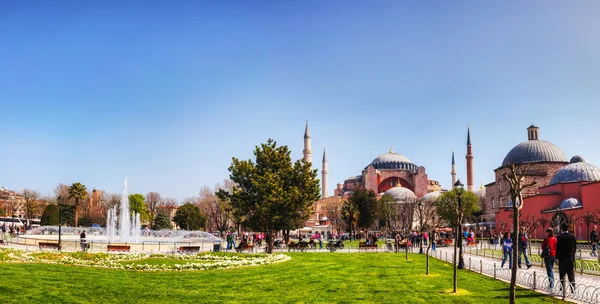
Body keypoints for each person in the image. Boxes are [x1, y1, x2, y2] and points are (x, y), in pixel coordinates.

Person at [556, 222, 577, 292]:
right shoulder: (572, 236)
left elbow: (558, 248)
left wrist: (557, 258)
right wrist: (572, 255)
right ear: (568, 228)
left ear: (562, 229)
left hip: (562, 259)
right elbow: (575, 247)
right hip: (570, 258)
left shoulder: (559, 237)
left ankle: (562, 288)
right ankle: (573, 288)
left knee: (562, 274)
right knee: (571, 274)